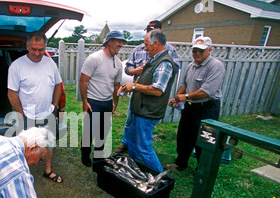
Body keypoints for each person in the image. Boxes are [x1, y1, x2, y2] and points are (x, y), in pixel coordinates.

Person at [115, 20, 179, 154]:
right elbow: (127, 68)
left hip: (150, 98)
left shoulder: (169, 51)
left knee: (143, 136)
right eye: (148, 30)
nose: (150, 32)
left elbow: (172, 71)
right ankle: (127, 145)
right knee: (130, 122)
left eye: (153, 30)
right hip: (136, 93)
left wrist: (153, 71)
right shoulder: (139, 48)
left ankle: (142, 155)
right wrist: (136, 71)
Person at [7, 31, 63, 183]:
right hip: (27, 115)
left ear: (45, 47)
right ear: (27, 46)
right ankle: (24, 175)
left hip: (47, 113)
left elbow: (58, 85)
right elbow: (11, 93)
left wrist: (55, 106)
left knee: (49, 143)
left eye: (40, 49)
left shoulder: (50, 63)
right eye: (33, 49)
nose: (37, 53)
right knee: (27, 146)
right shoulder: (17, 66)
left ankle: (48, 170)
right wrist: (21, 114)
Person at [166, 36, 225, 171]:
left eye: (201, 51)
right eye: (195, 50)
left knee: (205, 140)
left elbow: (207, 91)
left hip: (207, 108)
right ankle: (180, 163)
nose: (197, 53)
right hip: (191, 107)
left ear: (209, 50)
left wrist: (185, 96)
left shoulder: (216, 66)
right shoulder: (191, 65)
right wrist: (177, 97)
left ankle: (203, 169)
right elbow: (184, 84)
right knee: (184, 135)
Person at [79, 30, 126, 167]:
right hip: (93, 101)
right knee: (90, 131)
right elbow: (83, 80)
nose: (121, 44)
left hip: (107, 102)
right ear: (109, 42)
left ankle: (98, 156)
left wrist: (115, 102)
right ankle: (85, 153)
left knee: (103, 131)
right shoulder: (94, 58)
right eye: (119, 41)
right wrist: (85, 102)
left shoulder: (118, 63)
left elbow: (116, 84)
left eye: (122, 42)